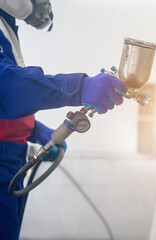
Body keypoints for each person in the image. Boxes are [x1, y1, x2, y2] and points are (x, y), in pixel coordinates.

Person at [0, 1, 127, 239]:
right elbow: (4, 87)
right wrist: (78, 87)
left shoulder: (5, 26)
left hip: (10, 162)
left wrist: (35, 131)